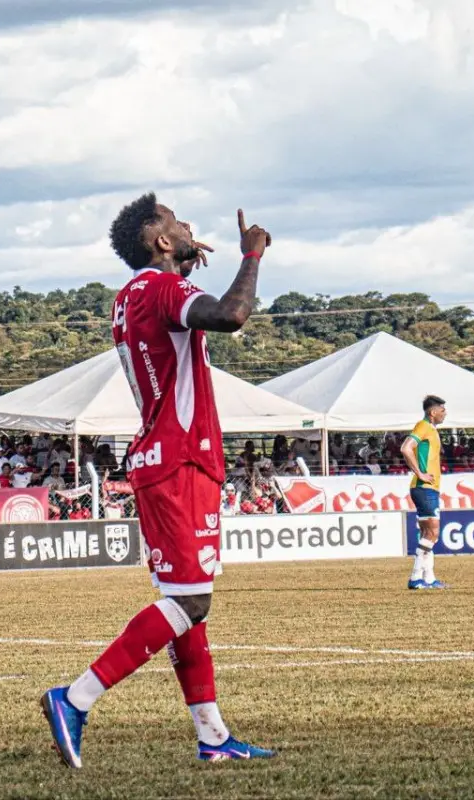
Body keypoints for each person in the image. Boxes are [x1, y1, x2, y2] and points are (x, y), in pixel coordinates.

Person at [42, 196, 275, 768]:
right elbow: (232, 315)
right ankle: (75, 698)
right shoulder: (165, 290)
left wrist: (185, 265)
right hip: (181, 458)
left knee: (185, 599)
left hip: (161, 455)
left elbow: (172, 328)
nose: (188, 224)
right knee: (190, 601)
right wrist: (251, 255)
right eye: (175, 221)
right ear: (161, 241)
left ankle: (213, 737)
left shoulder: (133, 294)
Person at [402, 395, 448, 590]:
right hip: (424, 487)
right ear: (433, 412)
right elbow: (406, 448)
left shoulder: (431, 429)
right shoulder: (423, 426)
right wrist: (420, 473)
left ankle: (429, 578)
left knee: (427, 533)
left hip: (427, 488)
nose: (445, 413)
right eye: (442, 410)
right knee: (432, 533)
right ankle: (415, 577)